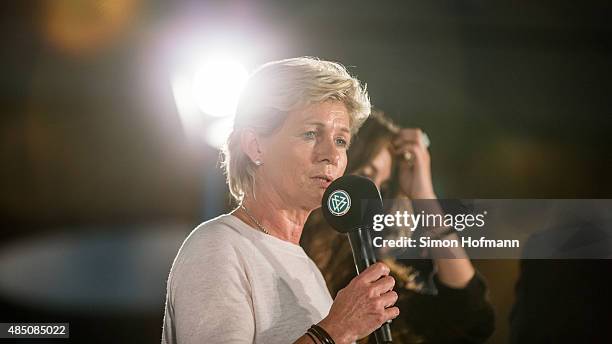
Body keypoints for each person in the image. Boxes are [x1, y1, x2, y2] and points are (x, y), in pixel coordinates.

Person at [161, 57, 400, 344]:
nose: (332, 155)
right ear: (255, 146)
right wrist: (335, 330)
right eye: (311, 133)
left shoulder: (308, 269)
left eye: (340, 141)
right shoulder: (218, 246)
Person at [301, 110, 495, 343]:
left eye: (383, 188)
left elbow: (472, 320)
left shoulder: (373, 278)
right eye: (365, 176)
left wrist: (424, 196)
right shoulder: (282, 246)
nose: (373, 198)